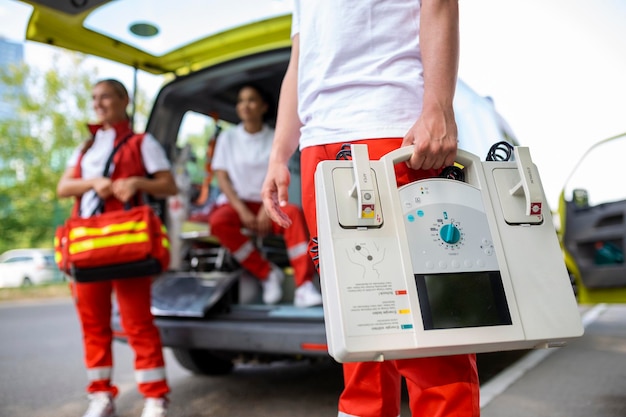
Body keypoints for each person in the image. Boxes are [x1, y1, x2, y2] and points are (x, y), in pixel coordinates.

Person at [262, 1, 479, 417]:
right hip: (319, 148)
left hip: (393, 133)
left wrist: (438, 105)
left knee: (433, 340)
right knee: (360, 329)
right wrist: (278, 155)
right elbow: (299, 61)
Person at [57, 79, 178, 417]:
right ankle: (100, 396)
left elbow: (168, 185)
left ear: (123, 100)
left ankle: (154, 397)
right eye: (94, 98)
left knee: (138, 323)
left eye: (105, 96)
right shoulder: (85, 147)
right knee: (93, 326)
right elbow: (64, 187)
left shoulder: (142, 142)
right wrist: (94, 183)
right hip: (87, 245)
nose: (98, 103)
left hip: (127, 246)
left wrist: (137, 182)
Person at [208, 83, 322, 308]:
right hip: (238, 205)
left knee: (294, 216)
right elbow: (222, 177)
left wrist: (265, 206)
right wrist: (242, 210)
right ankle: (267, 273)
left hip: (268, 203)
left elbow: (279, 173)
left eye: (251, 100)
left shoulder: (275, 138)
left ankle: (303, 286)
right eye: (241, 101)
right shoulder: (227, 138)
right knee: (218, 222)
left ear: (263, 107)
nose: (245, 105)